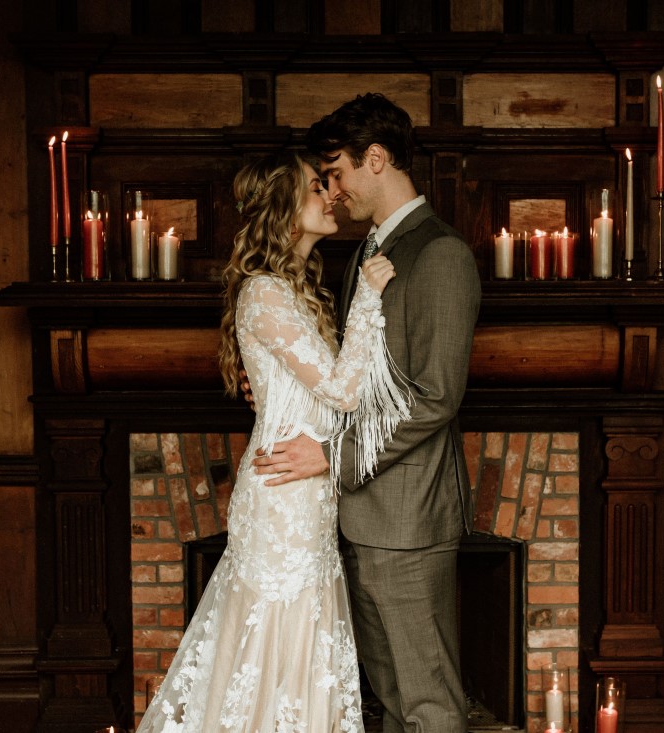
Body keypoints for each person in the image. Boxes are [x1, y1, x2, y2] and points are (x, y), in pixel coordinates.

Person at [136, 152, 410, 733]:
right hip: (283, 497)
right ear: (284, 209)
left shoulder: (294, 289)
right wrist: (368, 297)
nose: (330, 195)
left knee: (299, 648)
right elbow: (341, 390)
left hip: (306, 490)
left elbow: (317, 391)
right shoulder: (265, 292)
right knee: (271, 646)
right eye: (316, 186)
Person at [251, 93, 482, 733]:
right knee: (390, 700)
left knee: (428, 703)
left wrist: (332, 455)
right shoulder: (366, 253)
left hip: (409, 521)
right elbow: (351, 378)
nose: (333, 190)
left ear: (375, 159)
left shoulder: (439, 254)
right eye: (323, 180)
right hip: (359, 517)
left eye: (338, 173)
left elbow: (436, 395)